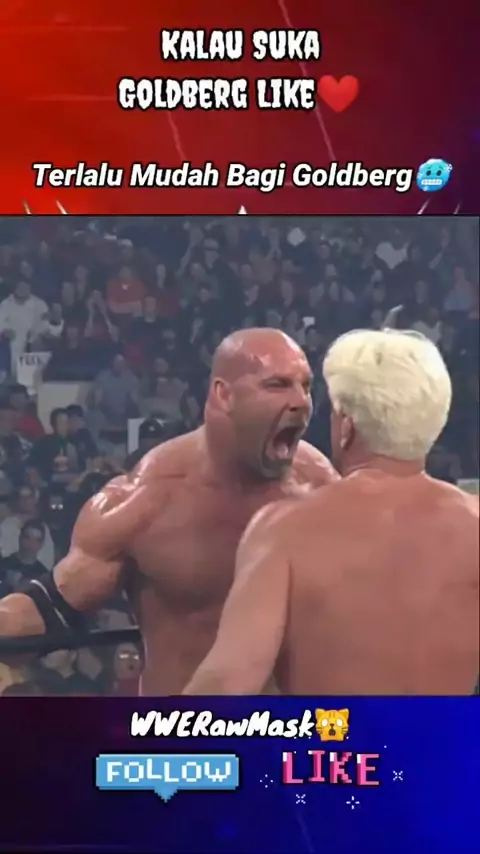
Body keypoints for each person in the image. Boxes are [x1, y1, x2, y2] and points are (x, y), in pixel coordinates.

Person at [0, 328, 338, 694]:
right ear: (223, 394)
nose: (301, 402)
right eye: (277, 385)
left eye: (306, 386)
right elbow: (51, 609)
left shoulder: (321, 487)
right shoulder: (149, 499)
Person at [184, 329, 479, 696]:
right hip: (446, 734)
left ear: (346, 427)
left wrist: (147, 731)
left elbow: (229, 681)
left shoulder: (286, 529)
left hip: (335, 735)